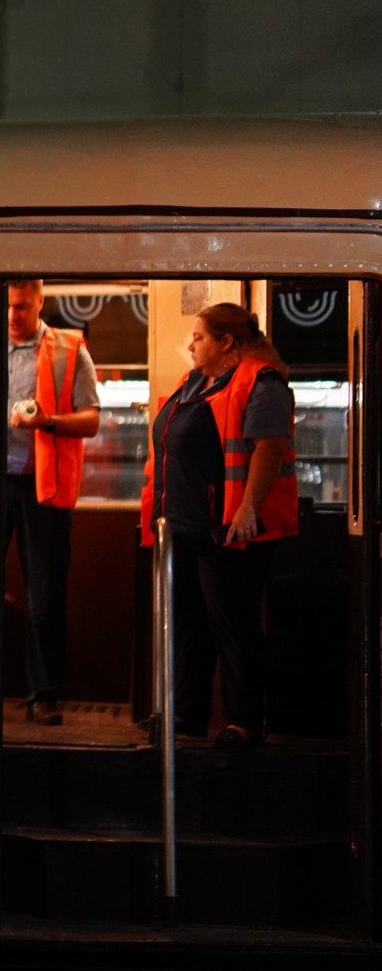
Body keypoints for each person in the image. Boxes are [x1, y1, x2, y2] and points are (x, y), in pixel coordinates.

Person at [140, 303, 295, 750]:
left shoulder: (261, 382)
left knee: (233, 623)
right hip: (183, 525)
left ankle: (244, 722)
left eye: (199, 337)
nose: (190, 345)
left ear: (226, 342)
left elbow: (268, 448)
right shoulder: (193, 382)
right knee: (188, 623)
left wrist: (247, 508)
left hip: (229, 528)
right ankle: (188, 715)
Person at [4, 280, 101, 726]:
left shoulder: (69, 349)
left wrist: (48, 422)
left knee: (45, 597)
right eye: (8, 306)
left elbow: (91, 420)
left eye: (23, 306)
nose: (13, 315)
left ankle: (42, 696)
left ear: (41, 301)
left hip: (44, 487)